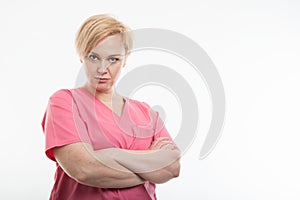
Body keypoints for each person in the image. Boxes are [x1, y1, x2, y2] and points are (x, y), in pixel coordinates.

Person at [41, 14, 180, 200]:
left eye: (113, 59)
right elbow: (84, 169)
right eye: (93, 57)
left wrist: (109, 155)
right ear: (82, 56)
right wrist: (151, 164)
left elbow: (171, 168)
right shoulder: (65, 102)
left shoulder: (147, 113)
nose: (102, 69)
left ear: (125, 58)